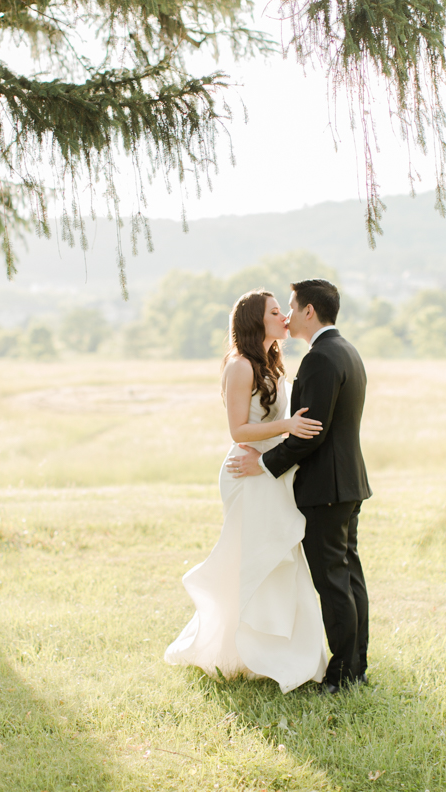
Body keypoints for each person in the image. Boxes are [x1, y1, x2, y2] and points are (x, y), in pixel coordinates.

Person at [164, 289, 329, 693]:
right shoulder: (240, 366)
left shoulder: (272, 363)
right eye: (276, 312)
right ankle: (239, 651)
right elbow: (238, 430)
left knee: (281, 556)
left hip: (270, 472)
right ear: (258, 320)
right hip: (247, 471)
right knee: (256, 558)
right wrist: (287, 427)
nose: (285, 318)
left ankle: (290, 654)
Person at [227, 278, 372, 694]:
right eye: (278, 311)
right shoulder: (345, 350)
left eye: (289, 307)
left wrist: (267, 464)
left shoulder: (320, 358)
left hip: (326, 488)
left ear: (310, 311)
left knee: (333, 581)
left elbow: (312, 432)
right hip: (346, 483)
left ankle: (345, 675)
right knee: (348, 577)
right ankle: (356, 665)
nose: (287, 316)